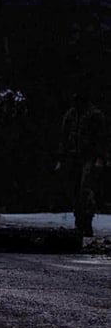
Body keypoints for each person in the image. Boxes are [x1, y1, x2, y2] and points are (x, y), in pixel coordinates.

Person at [59, 91, 107, 236]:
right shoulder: (71, 115)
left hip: (89, 157)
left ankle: (86, 222)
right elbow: (64, 136)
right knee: (75, 190)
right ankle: (79, 222)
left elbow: (101, 138)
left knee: (85, 190)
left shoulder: (95, 115)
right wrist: (61, 157)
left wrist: (100, 158)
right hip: (73, 156)